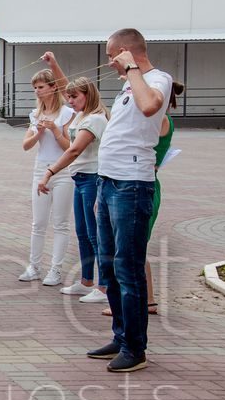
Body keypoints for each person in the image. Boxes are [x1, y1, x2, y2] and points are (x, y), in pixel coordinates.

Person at [86, 28, 173, 373]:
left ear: (126, 51)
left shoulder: (156, 79)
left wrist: (133, 69)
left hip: (131, 184)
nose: (109, 63)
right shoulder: (129, 85)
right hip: (109, 183)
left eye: (112, 55)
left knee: (128, 266)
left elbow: (151, 106)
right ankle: (121, 336)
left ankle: (136, 348)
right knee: (108, 264)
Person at [36, 64, 109, 304]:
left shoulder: (96, 119)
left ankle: (104, 286)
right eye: (68, 97)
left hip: (92, 179)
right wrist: (53, 63)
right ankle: (87, 281)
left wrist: (49, 172)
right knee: (83, 233)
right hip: (80, 179)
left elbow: (74, 150)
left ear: (88, 95)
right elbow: (68, 85)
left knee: (95, 234)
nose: (70, 100)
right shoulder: (81, 115)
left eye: (75, 97)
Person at [20, 69, 75, 286]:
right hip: (40, 169)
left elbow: (71, 147)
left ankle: (56, 269)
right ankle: (34, 266)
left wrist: (55, 130)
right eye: (35, 87)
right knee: (38, 222)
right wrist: (38, 133)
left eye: (41, 87)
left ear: (53, 87)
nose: (37, 91)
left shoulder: (66, 113)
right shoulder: (35, 114)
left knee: (60, 222)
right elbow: (26, 145)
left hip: (64, 170)